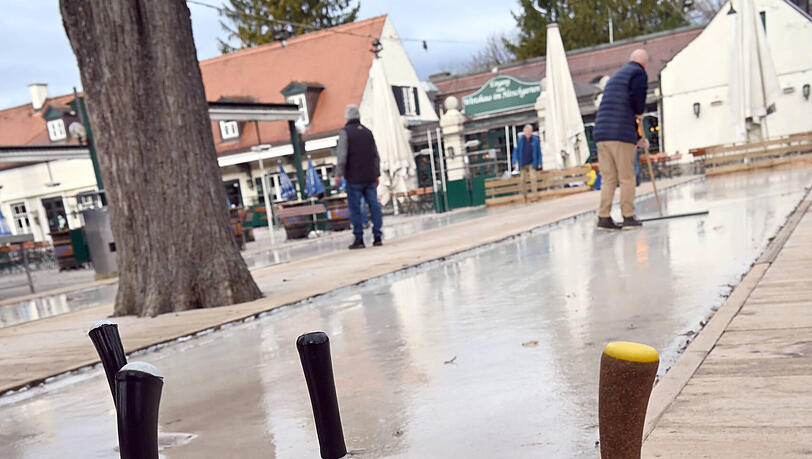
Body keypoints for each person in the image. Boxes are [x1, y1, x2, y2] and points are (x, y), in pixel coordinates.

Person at [592, 49, 650, 231]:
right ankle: (628, 217)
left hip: (601, 133)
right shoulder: (638, 73)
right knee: (627, 176)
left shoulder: (617, 76)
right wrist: (640, 113)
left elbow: (622, 107)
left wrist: (638, 137)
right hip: (619, 134)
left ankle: (603, 218)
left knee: (609, 178)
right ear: (644, 63)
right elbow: (636, 99)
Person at [335, 104, 383, 249]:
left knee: (355, 208)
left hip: (354, 178)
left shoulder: (345, 133)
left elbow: (342, 156)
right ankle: (377, 236)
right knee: (374, 206)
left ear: (347, 117)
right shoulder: (368, 132)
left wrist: (338, 174)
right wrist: (377, 174)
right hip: (370, 177)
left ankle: (359, 238)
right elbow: (376, 155)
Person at [512, 124, 542, 202]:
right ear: (524, 132)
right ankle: (524, 197)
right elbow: (516, 151)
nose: (528, 133)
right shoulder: (520, 140)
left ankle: (535, 196)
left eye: (529, 131)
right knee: (522, 179)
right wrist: (514, 161)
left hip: (532, 162)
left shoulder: (535, 140)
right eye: (526, 132)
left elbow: (539, 152)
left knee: (533, 178)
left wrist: (539, 163)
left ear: (531, 132)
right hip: (523, 163)